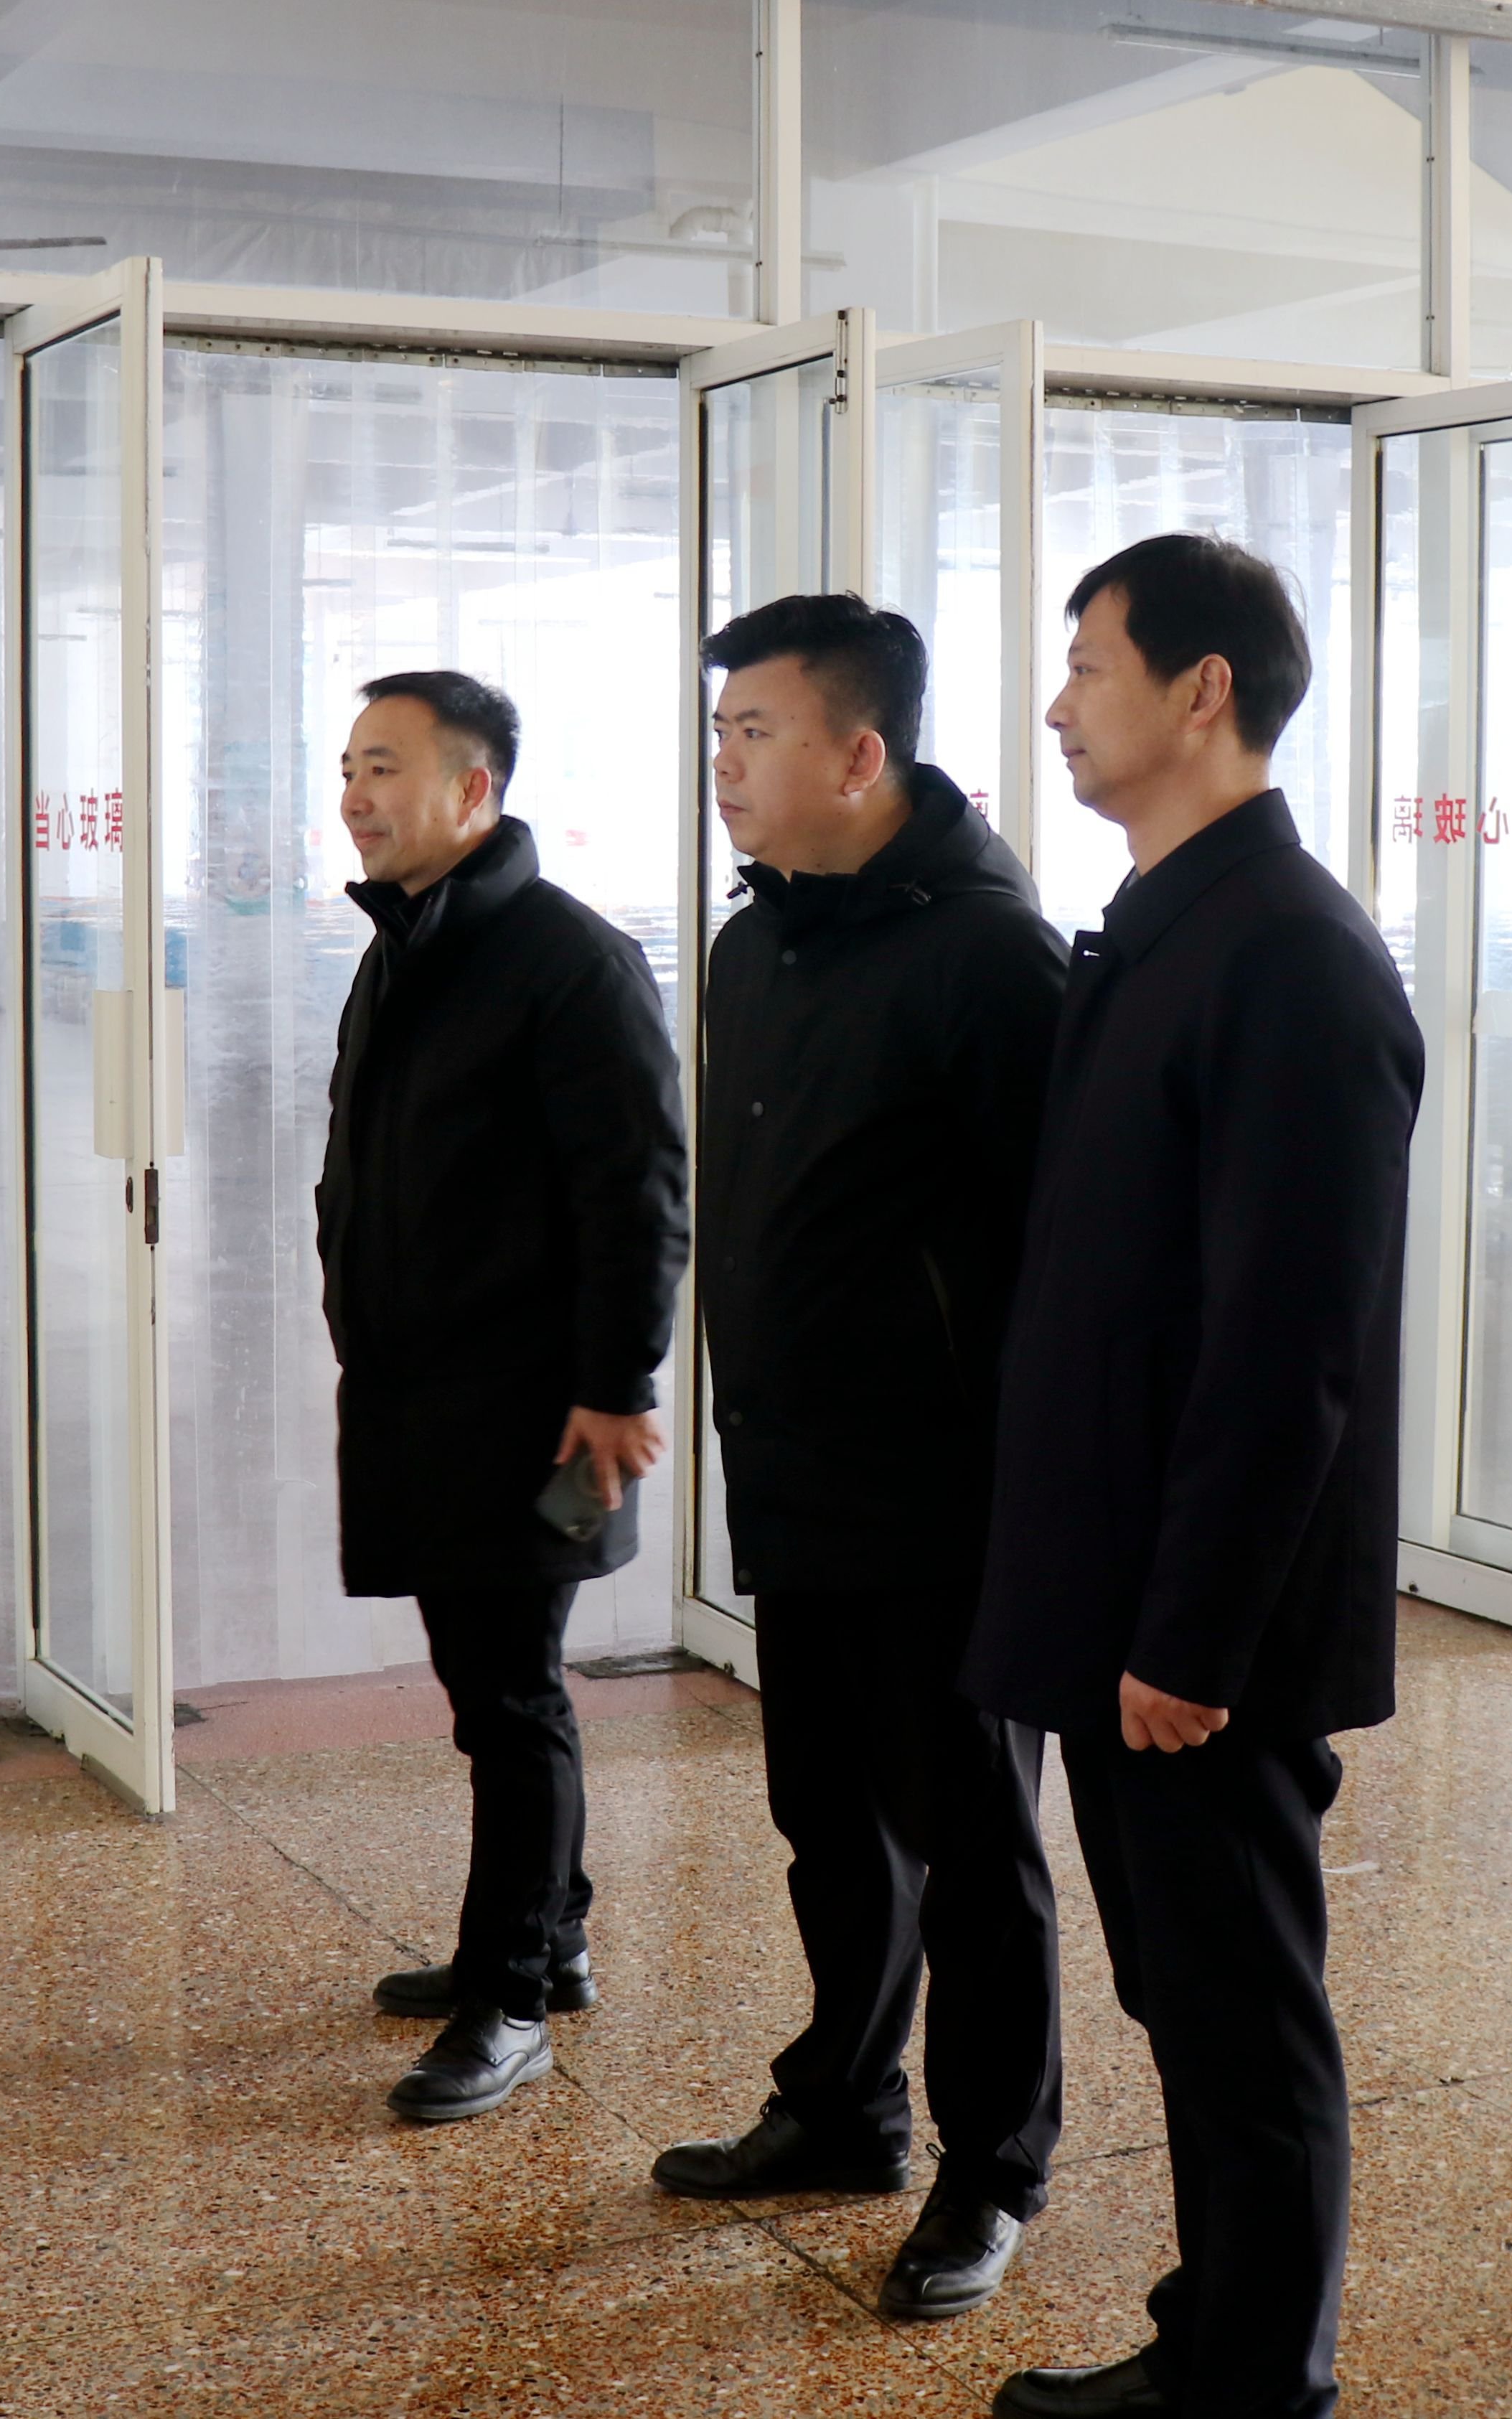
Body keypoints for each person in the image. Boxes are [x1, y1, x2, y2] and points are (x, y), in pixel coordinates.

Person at [972, 537, 1423, 2419]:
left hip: (1200, 1631)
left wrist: (1190, 1634)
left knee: (1240, 2004)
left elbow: (1287, 1348)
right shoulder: (1167, 926)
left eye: (1089, 666)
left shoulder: (1291, 957)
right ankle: (1213, 2331)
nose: (1058, 704)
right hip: (1127, 1592)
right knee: (1184, 1985)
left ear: (1201, 689)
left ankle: (1256, 2378)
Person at [653, 596, 1069, 2322]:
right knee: (825, 1820)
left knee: (969, 1847)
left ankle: (992, 2169)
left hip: (944, 1499)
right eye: (718, 733)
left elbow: (1060, 1260)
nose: (723, 764)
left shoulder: (990, 957)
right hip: (795, 1469)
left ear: (857, 752)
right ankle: (842, 2105)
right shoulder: (753, 946)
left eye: (753, 732)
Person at [317, 670, 689, 2125]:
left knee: (513, 1697)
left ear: (473, 790)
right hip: (419, 1395)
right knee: (486, 1687)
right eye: (349, 767)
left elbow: (636, 1191)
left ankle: (512, 1994)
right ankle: (554, 1936)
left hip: (528, 1405)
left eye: (385, 768)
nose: (355, 796)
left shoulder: (566, 957)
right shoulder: (407, 943)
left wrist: (615, 1382)